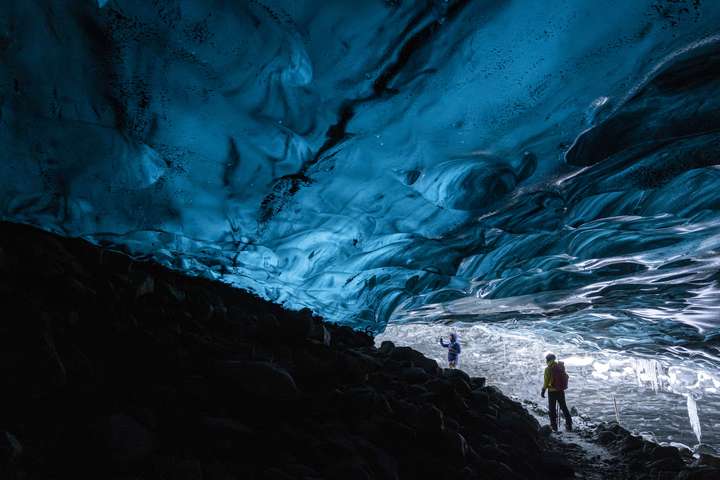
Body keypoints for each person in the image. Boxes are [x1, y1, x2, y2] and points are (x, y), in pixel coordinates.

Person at [541, 353, 573, 432]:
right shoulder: (560, 367)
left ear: (547, 360)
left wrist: (543, 391)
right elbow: (566, 376)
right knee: (564, 407)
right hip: (560, 391)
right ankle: (569, 424)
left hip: (552, 392)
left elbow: (546, 382)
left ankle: (554, 427)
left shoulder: (548, 369)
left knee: (552, 409)